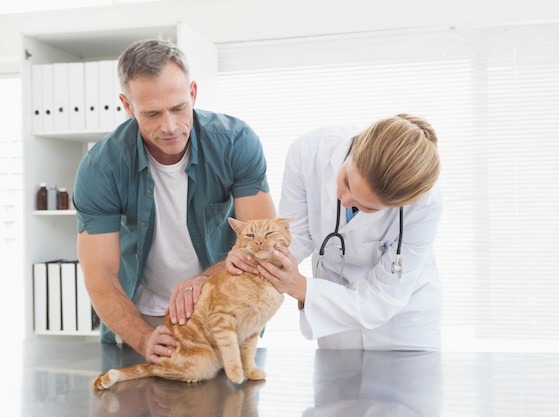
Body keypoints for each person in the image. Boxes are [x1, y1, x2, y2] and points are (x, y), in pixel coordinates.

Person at [73, 39, 275, 364]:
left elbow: (264, 247)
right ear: (127, 106)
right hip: (144, 318)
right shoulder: (101, 168)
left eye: (179, 108)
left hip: (223, 307)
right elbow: (101, 276)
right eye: (151, 114)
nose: (169, 127)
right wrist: (143, 338)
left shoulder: (236, 143)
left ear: (193, 93)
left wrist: (204, 281)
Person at [229, 114, 442, 350]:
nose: (345, 200)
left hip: (401, 324)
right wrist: (259, 259)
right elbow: (298, 235)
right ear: (355, 150)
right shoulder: (308, 153)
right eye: (347, 182)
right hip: (335, 321)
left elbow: (383, 297)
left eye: (367, 207)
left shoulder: (425, 204)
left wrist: (299, 286)